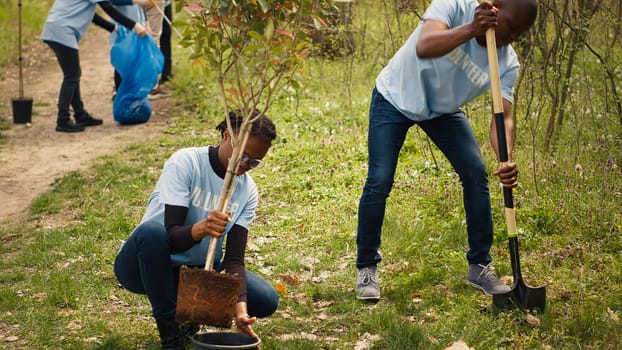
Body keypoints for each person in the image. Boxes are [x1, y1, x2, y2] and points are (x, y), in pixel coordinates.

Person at [354, 0, 537, 302]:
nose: (514, 38)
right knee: (380, 179)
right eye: (513, 27)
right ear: (497, 7)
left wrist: (505, 159)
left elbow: (502, 116)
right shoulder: (454, 4)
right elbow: (425, 45)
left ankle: (479, 265)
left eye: (521, 33)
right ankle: (366, 268)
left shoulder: (507, 63)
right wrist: (471, 29)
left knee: (476, 172)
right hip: (394, 97)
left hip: (441, 111)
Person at [114, 110, 279, 350]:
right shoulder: (186, 163)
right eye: (242, 156)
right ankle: (170, 332)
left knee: (265, 299)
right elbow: (170, 237)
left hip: (192, 274)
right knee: (152, 232)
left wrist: (240, 311)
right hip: (145, 265)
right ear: (226, 136)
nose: (245, 165)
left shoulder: (247, 191)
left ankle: (189, 316)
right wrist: (200, 229)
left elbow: (234, 261)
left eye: (254, 162)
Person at [41, 0, 148, 132]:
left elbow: (92, 15)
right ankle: (62, 119)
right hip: (62, 31)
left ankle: (80, 115)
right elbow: (109, 7)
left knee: (73, 74)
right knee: (72, 76)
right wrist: (134, 26)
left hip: (55, 29)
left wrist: (112, 27)